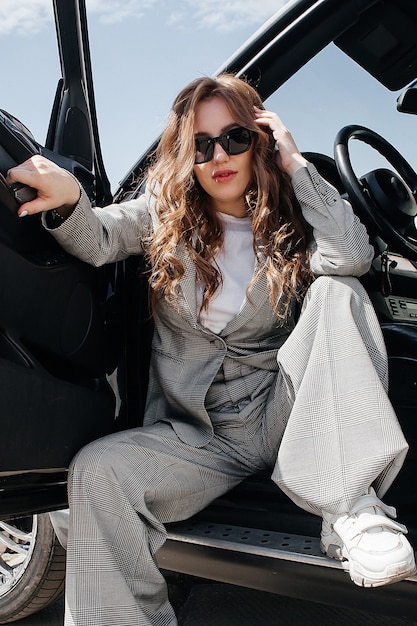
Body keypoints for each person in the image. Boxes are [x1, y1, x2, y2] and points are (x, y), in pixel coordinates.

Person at [8, 74, 416, 626]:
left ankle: (351, 507)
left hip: (283, 413)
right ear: (186, 154)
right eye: (201, 144)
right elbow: (100, 239)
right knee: (96, 470)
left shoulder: (295, 219)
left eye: (235, 138)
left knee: (336, 290)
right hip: (198, 435)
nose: (218, 155)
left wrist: (296, 164)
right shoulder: (164, 216)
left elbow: (351, 254)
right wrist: (68, 199)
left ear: (261, 141)